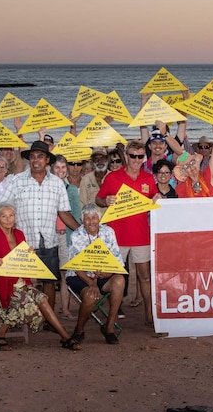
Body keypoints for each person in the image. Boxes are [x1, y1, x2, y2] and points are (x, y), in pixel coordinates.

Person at [0, 203, 80, 351]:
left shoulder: (19, 234)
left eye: (11, 215)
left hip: (18, 282)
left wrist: (30, 255)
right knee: (29, 305)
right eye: (3, 216)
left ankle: (65, 337)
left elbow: (22, 261)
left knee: (43, 299)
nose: (8, 219)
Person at [0, 141, 80, 313]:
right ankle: (20, 316)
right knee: (20, 282)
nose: (36, 160)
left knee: (49, 281)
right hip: (22, 243)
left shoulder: (57, 184)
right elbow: (1, 207)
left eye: (40, 157)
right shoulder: (17, 181)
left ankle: (48, 319)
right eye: (32, 157)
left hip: (49, 241)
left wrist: (83, 231)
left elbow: (64, 213)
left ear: (47, 160)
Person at [96, 140, 157, 325]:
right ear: (126, 156)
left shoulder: (148, 178)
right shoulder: (113, 177)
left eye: (140, 156)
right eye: (133, 156)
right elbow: (98, 199)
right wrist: (106, 200)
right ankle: (114, 313)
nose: (136, 160)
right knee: (114, 276)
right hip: (117, 237)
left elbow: (155, 200)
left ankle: (149, 314)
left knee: (145, 276)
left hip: (141, 236)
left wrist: (157, 200)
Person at [66, 203, 126, 345]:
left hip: (103, 274)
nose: (91, 221)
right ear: (82, 220)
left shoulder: (108, 232)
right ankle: (79, 330)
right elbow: (76, 266)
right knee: (90, 294)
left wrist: (107, 273)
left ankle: (109, 327)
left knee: (120, 281)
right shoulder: (77, 235)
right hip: (80, 275)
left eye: (94, 218)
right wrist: (91, 283)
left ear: (99, 219)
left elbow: (117, 260)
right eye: (87, 218)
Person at [50, 155, 82, 319]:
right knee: (46, 276)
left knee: (64, 274)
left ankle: (65, 309)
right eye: (57, 168)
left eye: (63, 167)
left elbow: (75, 213)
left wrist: (77, 233)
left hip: (65, 236)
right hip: (48, 236)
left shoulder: (71, 189)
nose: (61, 171)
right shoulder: (47, 188)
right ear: (51, 169)